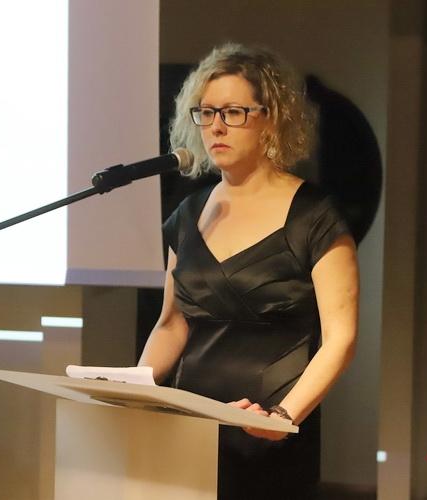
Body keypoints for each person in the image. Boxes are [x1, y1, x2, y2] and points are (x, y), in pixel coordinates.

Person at [138, 43, 359, 499]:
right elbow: (172, 323)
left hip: (270, 431)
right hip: (189, 425)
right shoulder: (188, 214)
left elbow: (341, 338)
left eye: (233, 112)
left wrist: (283, 417)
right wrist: (135, 389)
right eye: (206, 113)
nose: (216, 126)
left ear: (270, 119)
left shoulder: (316, 217)